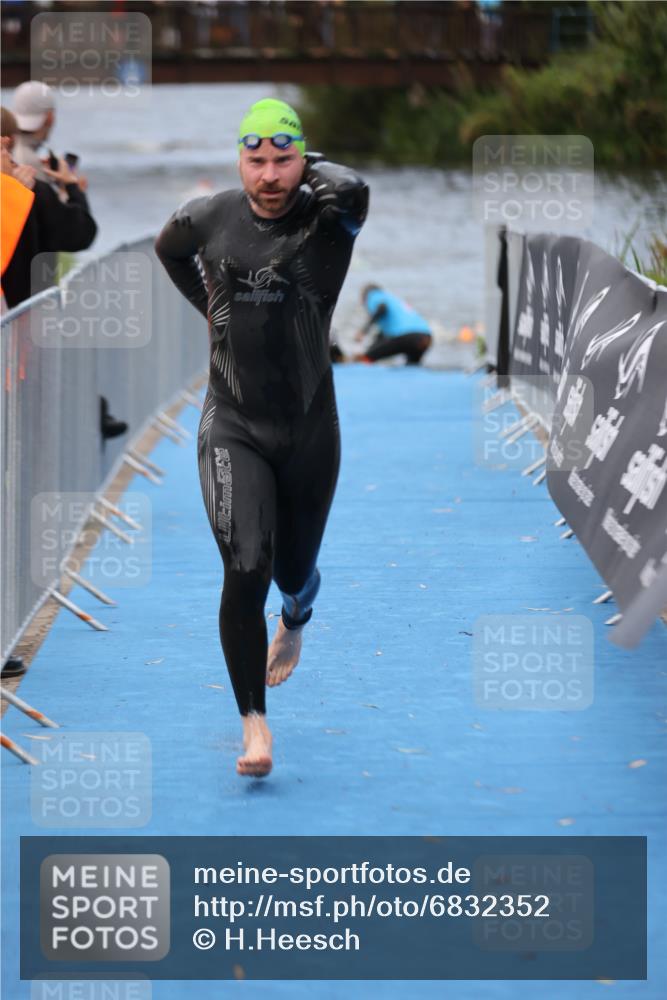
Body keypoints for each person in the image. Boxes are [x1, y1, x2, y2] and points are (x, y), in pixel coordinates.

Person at [155, 98, 368, 778]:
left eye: (283, 159)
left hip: (308, 427)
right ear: (237, 160)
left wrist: (313, 170)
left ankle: (299, 612)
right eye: (255, 160)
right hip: (233, 421)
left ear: (304, 160)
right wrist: (211, 309)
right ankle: (254, 729)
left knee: (290, 571)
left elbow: (353, 186)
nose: (268, 175)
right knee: (245, 567)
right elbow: (168, 249)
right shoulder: (209, 217)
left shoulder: (330, 219)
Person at [355, 284, 433, 365]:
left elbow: (382, 308)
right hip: (426, 337)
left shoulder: (373, 296)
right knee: (412, 368)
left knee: (366, 358)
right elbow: (381, 336)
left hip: (407, 335)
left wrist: (363, 331)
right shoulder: (392, 299)